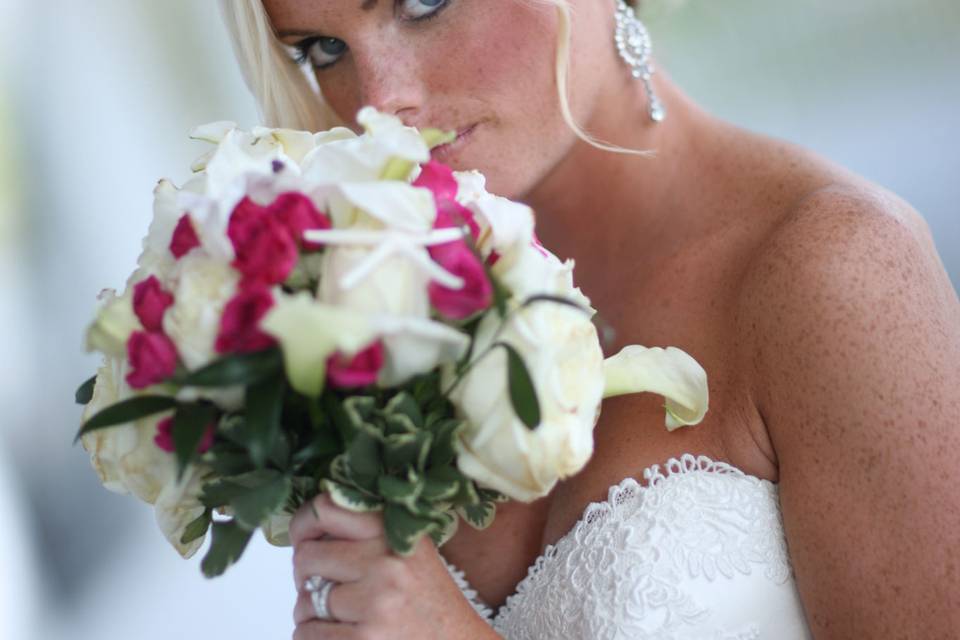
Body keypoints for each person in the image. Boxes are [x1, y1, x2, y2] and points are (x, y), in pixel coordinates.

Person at [218, 1, 960, 638]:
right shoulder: (377, 313)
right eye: (323, 47)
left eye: (425, 0)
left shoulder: (834, 270)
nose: (383, 102)